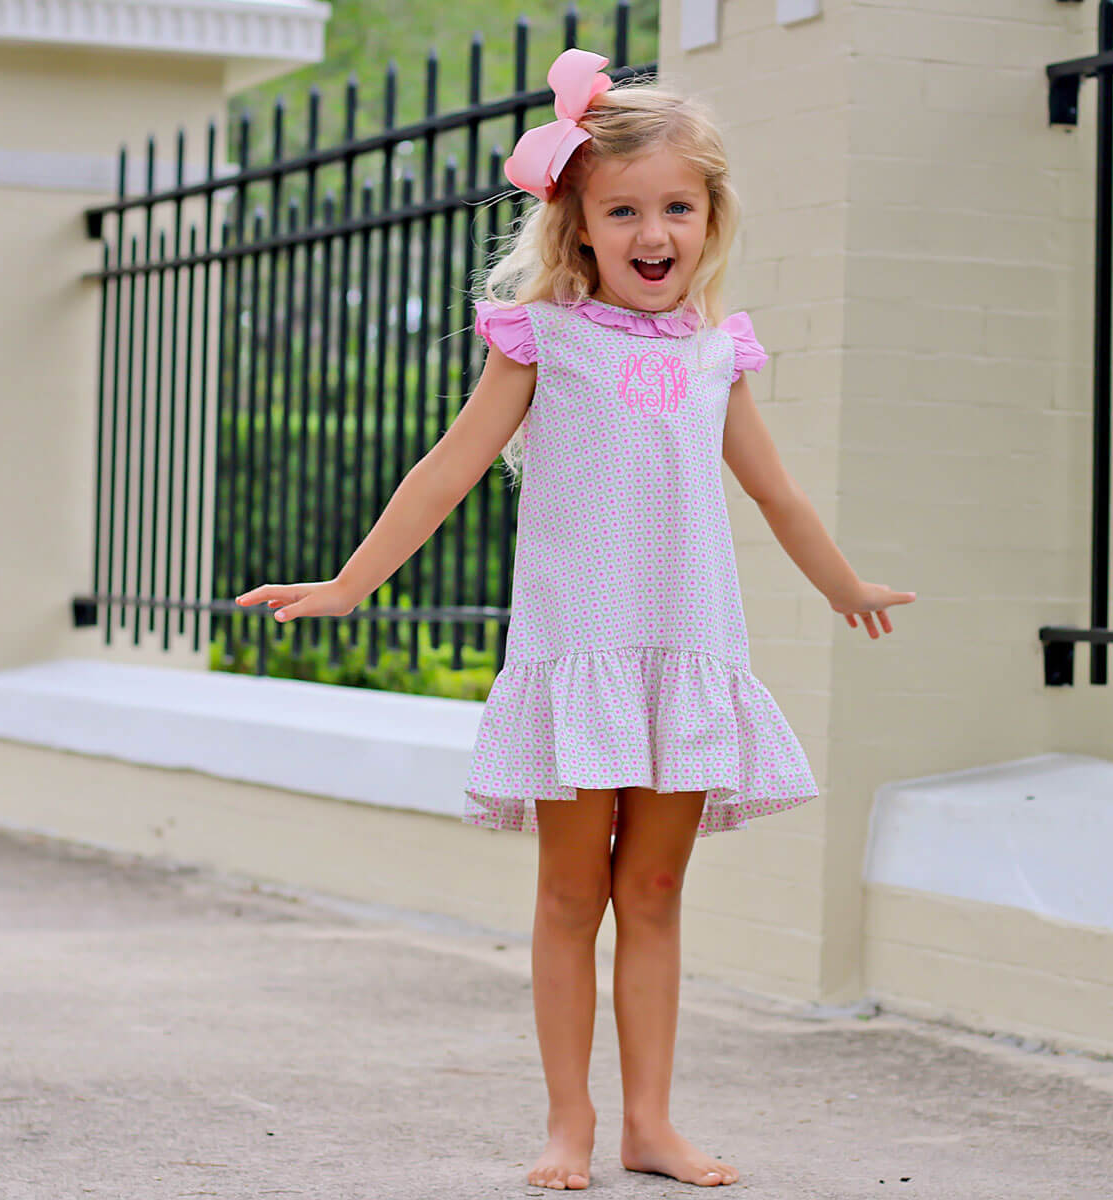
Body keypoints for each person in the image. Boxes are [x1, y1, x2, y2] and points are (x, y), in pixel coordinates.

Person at [236, 46, 916, 1191]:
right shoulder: (540, 339)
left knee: (653, 893)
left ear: (710, 217)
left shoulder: (718, 355)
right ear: (581, 227)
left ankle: (652, 1124)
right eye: (624, 211)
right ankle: (570, 1124)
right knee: (569, 893)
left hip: (685, 654)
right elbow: (446, 472)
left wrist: (844, 586)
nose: (654, 233)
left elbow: (777, 493)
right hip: (577, 657)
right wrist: (349, 584)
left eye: (677, 208)